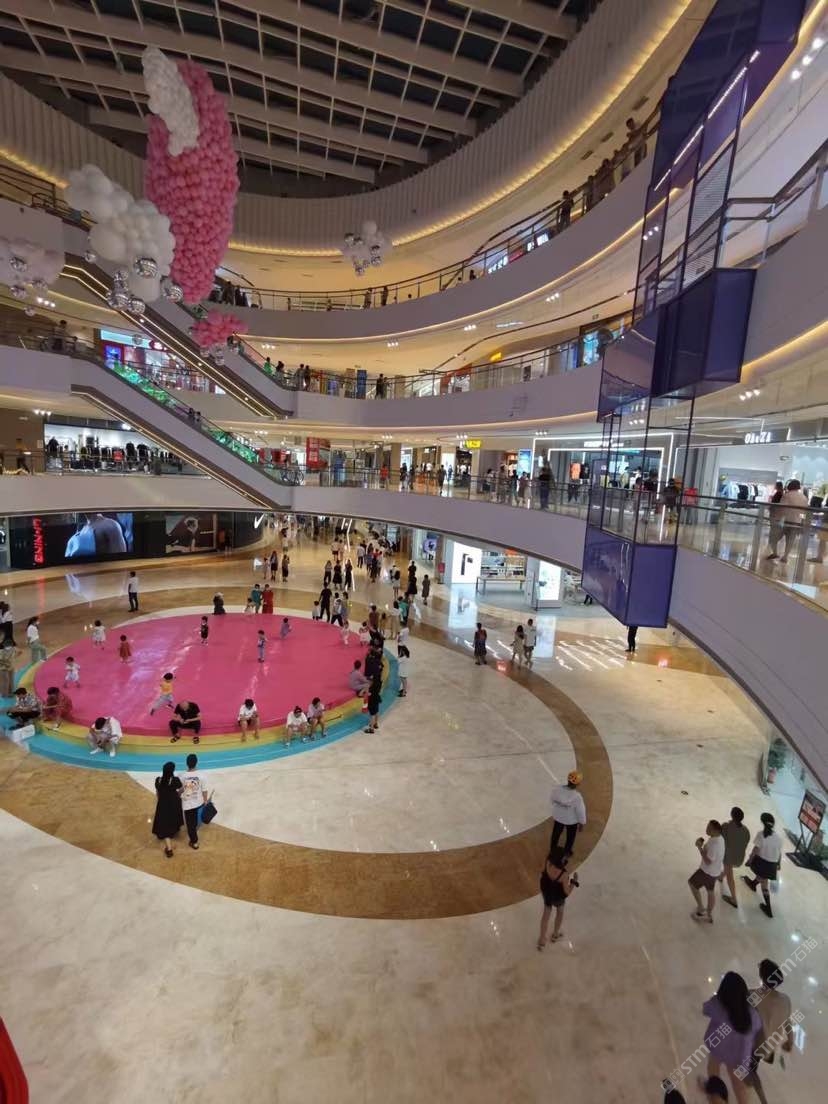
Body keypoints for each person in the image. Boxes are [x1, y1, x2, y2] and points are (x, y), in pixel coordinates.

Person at [701, 972, 761, 1104]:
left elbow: (705, 1009)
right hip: (739, 1056)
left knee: (713, 1070)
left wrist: (716, 998)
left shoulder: (718, 1006)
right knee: (738, 1085)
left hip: (718, 1049)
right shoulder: (752, 1014)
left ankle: (714, 1094)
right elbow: (757, 1027)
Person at [746, 958, 793, 1093]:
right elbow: (788, 1023)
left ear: (761, 976)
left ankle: (747, 1083)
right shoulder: (785, 1000)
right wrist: (790, 1041)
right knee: (754, 1061)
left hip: (753, 1046)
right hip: (770, 1047)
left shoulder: (752, 995)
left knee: (749, 1065)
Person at [537, 847, 579, 949]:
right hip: (558, 897)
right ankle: (555, 935)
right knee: (560, 912)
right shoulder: (563, 874)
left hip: (547, 892)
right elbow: (567, 892)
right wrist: (573, 882)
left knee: (546, 914)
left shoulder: (548, 862)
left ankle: (542, 939)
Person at [742, 812, 783, 918]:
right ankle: (753, 884)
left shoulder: (761, 834)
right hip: (772, 865)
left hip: (762, 863)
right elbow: (779, 853)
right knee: (763, 878)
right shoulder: (778, 838)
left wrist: (749, 860)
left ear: (762, 822)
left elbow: (755, 850)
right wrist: (778, 864)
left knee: (764, 883)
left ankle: (768, 908)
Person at [689, 819, 725, 924]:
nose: (706, 829)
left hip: (706, 872)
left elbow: (708, 861)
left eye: (709, 828)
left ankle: (701, 908)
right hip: (715, 872)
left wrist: (699, 848)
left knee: (692, 884)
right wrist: (704, 847)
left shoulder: (714, 844)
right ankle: (708, 914)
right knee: (710, 891)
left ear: (715, 830)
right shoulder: (720, 838)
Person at [720, 807, 751, 909]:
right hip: (739, 858)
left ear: (731, 815)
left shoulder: (726, 826)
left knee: (730, 877)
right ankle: (721, 877)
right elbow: (746, 843)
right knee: (728, 869)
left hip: (728, 857)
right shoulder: (746, 830)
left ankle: (734, 899)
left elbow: (720, 838)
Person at [549, 771, 586, 855]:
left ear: (568, 780)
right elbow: (580, 811)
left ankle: (553, 848)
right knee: (570, 836)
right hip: (571, 821)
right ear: (578, 784)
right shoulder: (577, 797)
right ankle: (567, 851)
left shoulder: (557, 790)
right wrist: (582, 823)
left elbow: (552, 800)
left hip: (558, 817)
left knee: (556, 833)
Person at [152, 761, 184, 858]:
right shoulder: (175, 780)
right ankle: (169, 847)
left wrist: (161, 800)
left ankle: (169, 848)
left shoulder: (158, 780)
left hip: (163, 804)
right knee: (172, 818)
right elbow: (181, 788)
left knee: (164, 822)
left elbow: (157, 793)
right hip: (174, 804)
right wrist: (178, 794)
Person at [180, 753, 209, 850]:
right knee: (194, 820)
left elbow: (180, 790)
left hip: (187, 804)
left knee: (190, 824)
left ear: (186, 763)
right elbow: (204, 790)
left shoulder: (182, 776)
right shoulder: (202, 775)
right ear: (196, 763)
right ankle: (194, 832)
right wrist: (205, 801)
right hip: (198, 802)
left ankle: (194, 842)